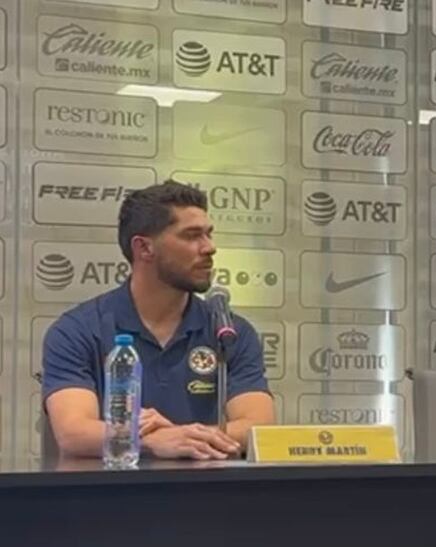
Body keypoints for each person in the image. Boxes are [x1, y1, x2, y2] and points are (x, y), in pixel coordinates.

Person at [42, 180, 275, 460]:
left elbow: (258, 427)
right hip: (110, 497)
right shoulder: (77, 330)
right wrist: (153, 441)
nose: (209, 248)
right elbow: (74, 433)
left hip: (208, 497)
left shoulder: (229, 331)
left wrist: (178, 436)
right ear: (144, 249)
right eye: (192, 236)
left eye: (209, 234)